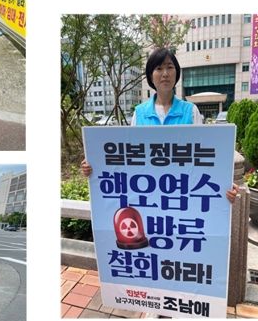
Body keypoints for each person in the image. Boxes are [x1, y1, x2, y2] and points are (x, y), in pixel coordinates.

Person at [82, 47, 240, 204]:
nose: (165, 73)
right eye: (159, 68)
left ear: (176, 72)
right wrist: (95, 165)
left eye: (170, 67)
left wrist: (223, 183)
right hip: (149, 195)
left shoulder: (191, 111)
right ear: (151, 75)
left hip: (184, 194)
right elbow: (128, 158)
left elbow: (205, 155)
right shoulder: (140, 113)